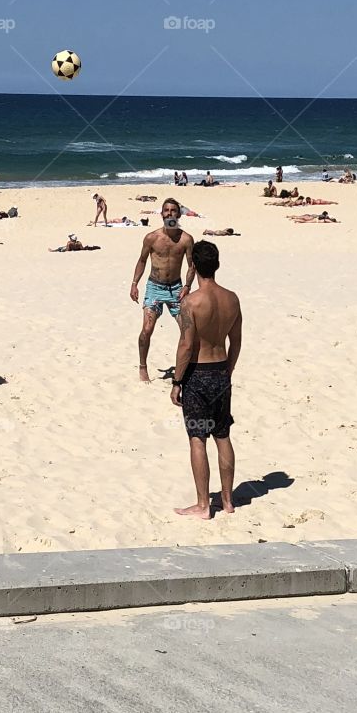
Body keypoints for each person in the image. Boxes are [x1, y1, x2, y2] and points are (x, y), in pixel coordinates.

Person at [170, 240, 242, 519]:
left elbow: (186, 345)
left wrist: (177, 381)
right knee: (222, 435)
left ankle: (203, 505)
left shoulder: (191, 303)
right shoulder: (232, 298)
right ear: (218, 264)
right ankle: (227, 500)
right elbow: (236, 341)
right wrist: (229, 370)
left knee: (198, 438)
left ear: (194, 267)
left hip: (198, 375)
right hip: (221, 371)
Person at [130, 197, 196, 383]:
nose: (169, 213)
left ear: (179, 214)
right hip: (154, 287)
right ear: (161, 214)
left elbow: (192, 266)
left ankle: (184, 368)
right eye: (166, 210)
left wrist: (187, 286)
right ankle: (143, 366)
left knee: (187, 330)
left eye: (173, 210)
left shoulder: (186, 239)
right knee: (147, 329)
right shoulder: (152, 237)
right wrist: (135, 283)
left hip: (176, 288)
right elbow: (142, 260)